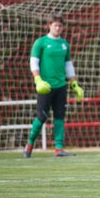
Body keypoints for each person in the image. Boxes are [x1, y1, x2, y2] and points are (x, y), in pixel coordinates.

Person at [23, 13, 84, 158]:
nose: (58, 28)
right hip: (45, 86)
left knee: (60, 117)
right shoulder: (41, 43)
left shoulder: (64, 44)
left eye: (60, 26)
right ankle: (30, 144)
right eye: (55, 25)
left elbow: (68, 64)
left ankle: (59, 149)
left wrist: (74, 83)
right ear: (49, 26)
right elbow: (34, 62)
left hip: (61, 86)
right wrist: (38, 79)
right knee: (42, 117)